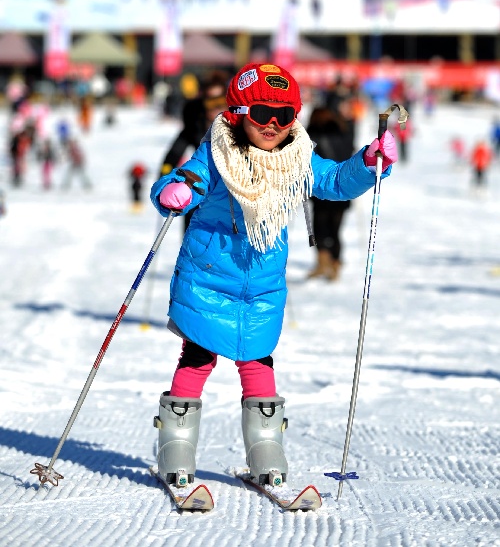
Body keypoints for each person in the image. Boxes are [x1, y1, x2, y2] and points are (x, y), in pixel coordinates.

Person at [149, 63, 397, 490]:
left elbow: (334, 180)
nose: (273, 125)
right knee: (198, 357)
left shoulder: (296, 157)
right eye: (262, 113)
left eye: (285, 116)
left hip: (262, 285)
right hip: (208, 278)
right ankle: (176, 447)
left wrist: (368, 161)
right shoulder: (217, 153)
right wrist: (176, 192)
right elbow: (187, 177)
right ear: (238, 113)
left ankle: (265, 447)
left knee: (258, 359)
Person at [158, 71, 228, 232]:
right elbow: (173, 155)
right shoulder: (194, 127)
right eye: (210, 102)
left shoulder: (241, 129)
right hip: (200, 192)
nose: (215, 107)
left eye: (219, 101)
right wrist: (165, 176)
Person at [306, 105, 354, 280]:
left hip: (320, 193)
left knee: (320, 230)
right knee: (335, 230)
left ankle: (323, 262)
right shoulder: (343, 133)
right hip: (342, 190)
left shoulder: (311, 136)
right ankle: (335, 263)